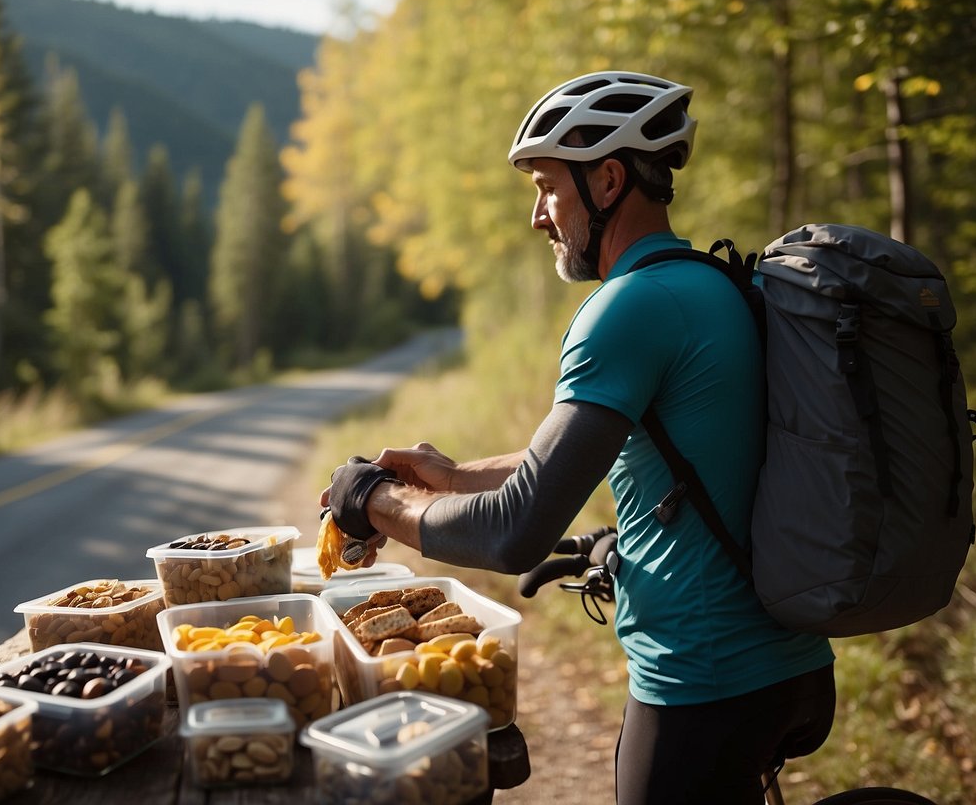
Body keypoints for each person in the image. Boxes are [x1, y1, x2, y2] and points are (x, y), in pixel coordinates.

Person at [322, 71, 836, 805]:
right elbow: (641, 460)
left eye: (545, 187)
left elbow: (514, 533)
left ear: (607, 180)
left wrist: (373, 499)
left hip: (701, 683)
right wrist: (455, 474)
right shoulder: (712, 286)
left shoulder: (628, 308)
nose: (537, 216)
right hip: (790, 663)